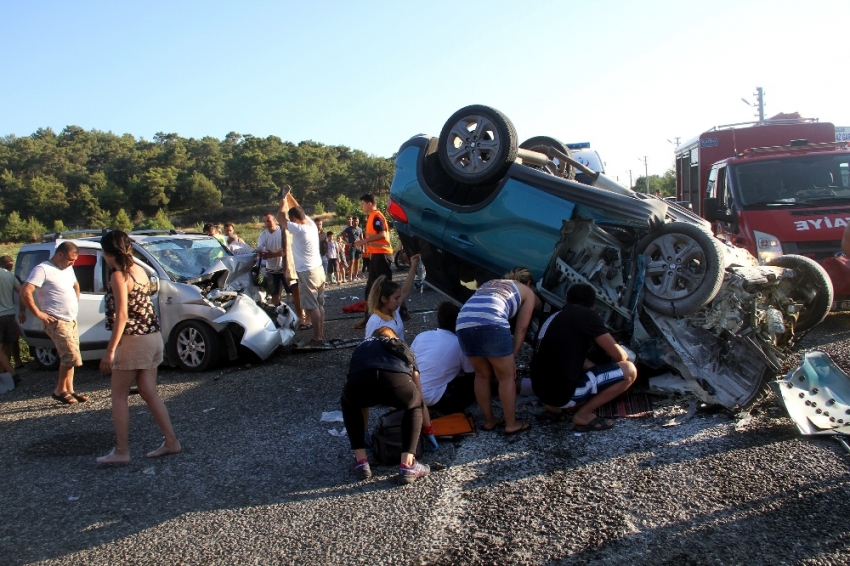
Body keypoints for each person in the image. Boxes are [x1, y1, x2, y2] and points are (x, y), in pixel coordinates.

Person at [96, 231, 181, 464]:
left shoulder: (118, 276)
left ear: (107, 252)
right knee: (148, 391)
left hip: (133, 340)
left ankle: (122, 451)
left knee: (119, 396)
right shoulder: (140, 271)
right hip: (152, 336)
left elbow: (122, 315)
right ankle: (171, 441)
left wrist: (110, 350)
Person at [530, 283, 637, 431]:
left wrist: (596, 370)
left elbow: (567, 355)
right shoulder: (587, 315)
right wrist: (624, 355)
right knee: (629, 370)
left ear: (566, 301)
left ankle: (553, 408)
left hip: (540, 390)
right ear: (592, 307)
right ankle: (584, 415)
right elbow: (619, 355)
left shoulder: (553, 317)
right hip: (563, 395)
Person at [340, 326, 430, 483]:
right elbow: (417, 390)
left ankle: (361, 461)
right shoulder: (399, 344)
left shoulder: (362, 345)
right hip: (394, 381)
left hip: (360, 383)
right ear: (393, 337)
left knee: (349, 402)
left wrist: (365, 432)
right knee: (414, 404)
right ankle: (408, 464)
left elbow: (355, 373)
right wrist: (428, 429)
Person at [456, 267, 539, 435]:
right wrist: (512, 357)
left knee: (481, 375)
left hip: (463, 322)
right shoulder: (528, 293)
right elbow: (521, 329)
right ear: (529, 283)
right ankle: (511, 424)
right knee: (506, 376)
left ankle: (489, 421)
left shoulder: (491, 283)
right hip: (491, 322)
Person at [19, 242, 86, 405]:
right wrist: (38, 313)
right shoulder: (42, 269)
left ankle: (69, 389)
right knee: (70, 355)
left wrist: (76, 298)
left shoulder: (68, 269)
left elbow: (75, 284)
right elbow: (25, 291)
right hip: (56, 320)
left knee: (70, 356)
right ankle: (59, 390)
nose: (72, 263)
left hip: (71, 319)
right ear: (60, 254)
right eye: (70, 259)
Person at [278, 186, 327, 345]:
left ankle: (317, 337)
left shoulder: (299, 229)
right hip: (318, 269)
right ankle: (320, 335)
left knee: (312, 307)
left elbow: (280, 218)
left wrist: (282, 202)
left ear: (296, 220)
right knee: (319, 305)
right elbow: (297, 208)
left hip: (307, 272)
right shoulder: (311, 224)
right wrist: (290, 196)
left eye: (293, 220)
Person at [411, 302, 476, 415]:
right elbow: (470, 374)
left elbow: (410, 362)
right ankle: (448, 409)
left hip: (412, 393)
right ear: (458, 322)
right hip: (433, 398)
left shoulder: (421, 336)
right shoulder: (459, 343)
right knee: (475, 383)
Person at [353, 195, 394, 328]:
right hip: (376, 256)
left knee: (386, 288)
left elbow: (382, 234)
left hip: (382, 256)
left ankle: (396, 315)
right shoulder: (371, 217)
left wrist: (364, 241)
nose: (362, 206)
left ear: (370, 204)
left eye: (363, 204)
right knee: (371, 289)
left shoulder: (377, 216)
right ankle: (369, 319)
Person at [363, 255, 421, 343]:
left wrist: (413, 266)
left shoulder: (394, 310)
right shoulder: (375, 321)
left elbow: (405, 291)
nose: (399, 301)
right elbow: (368, 347)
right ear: (384, 299)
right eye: (396, 298)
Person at [0, 255, 22, 382]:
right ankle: (4, 373)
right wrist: (23, 310)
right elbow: (22, 292)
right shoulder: (10, 276)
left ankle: (12, 374)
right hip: (9, 314)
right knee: (7, 346)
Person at [341, 216, 363, 281]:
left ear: (358, 221)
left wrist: (363, 247)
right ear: (352, 222)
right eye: (354, 221)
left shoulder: (360, 229)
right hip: (352, 247)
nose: (355, 222)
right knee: (352, 262)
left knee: (357, 262)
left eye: (356, 221)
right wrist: (347, 243)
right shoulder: (349, 228)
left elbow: (362, 239)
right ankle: (350, 277)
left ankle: (355, 276)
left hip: (358, 247)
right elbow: (342, 236)